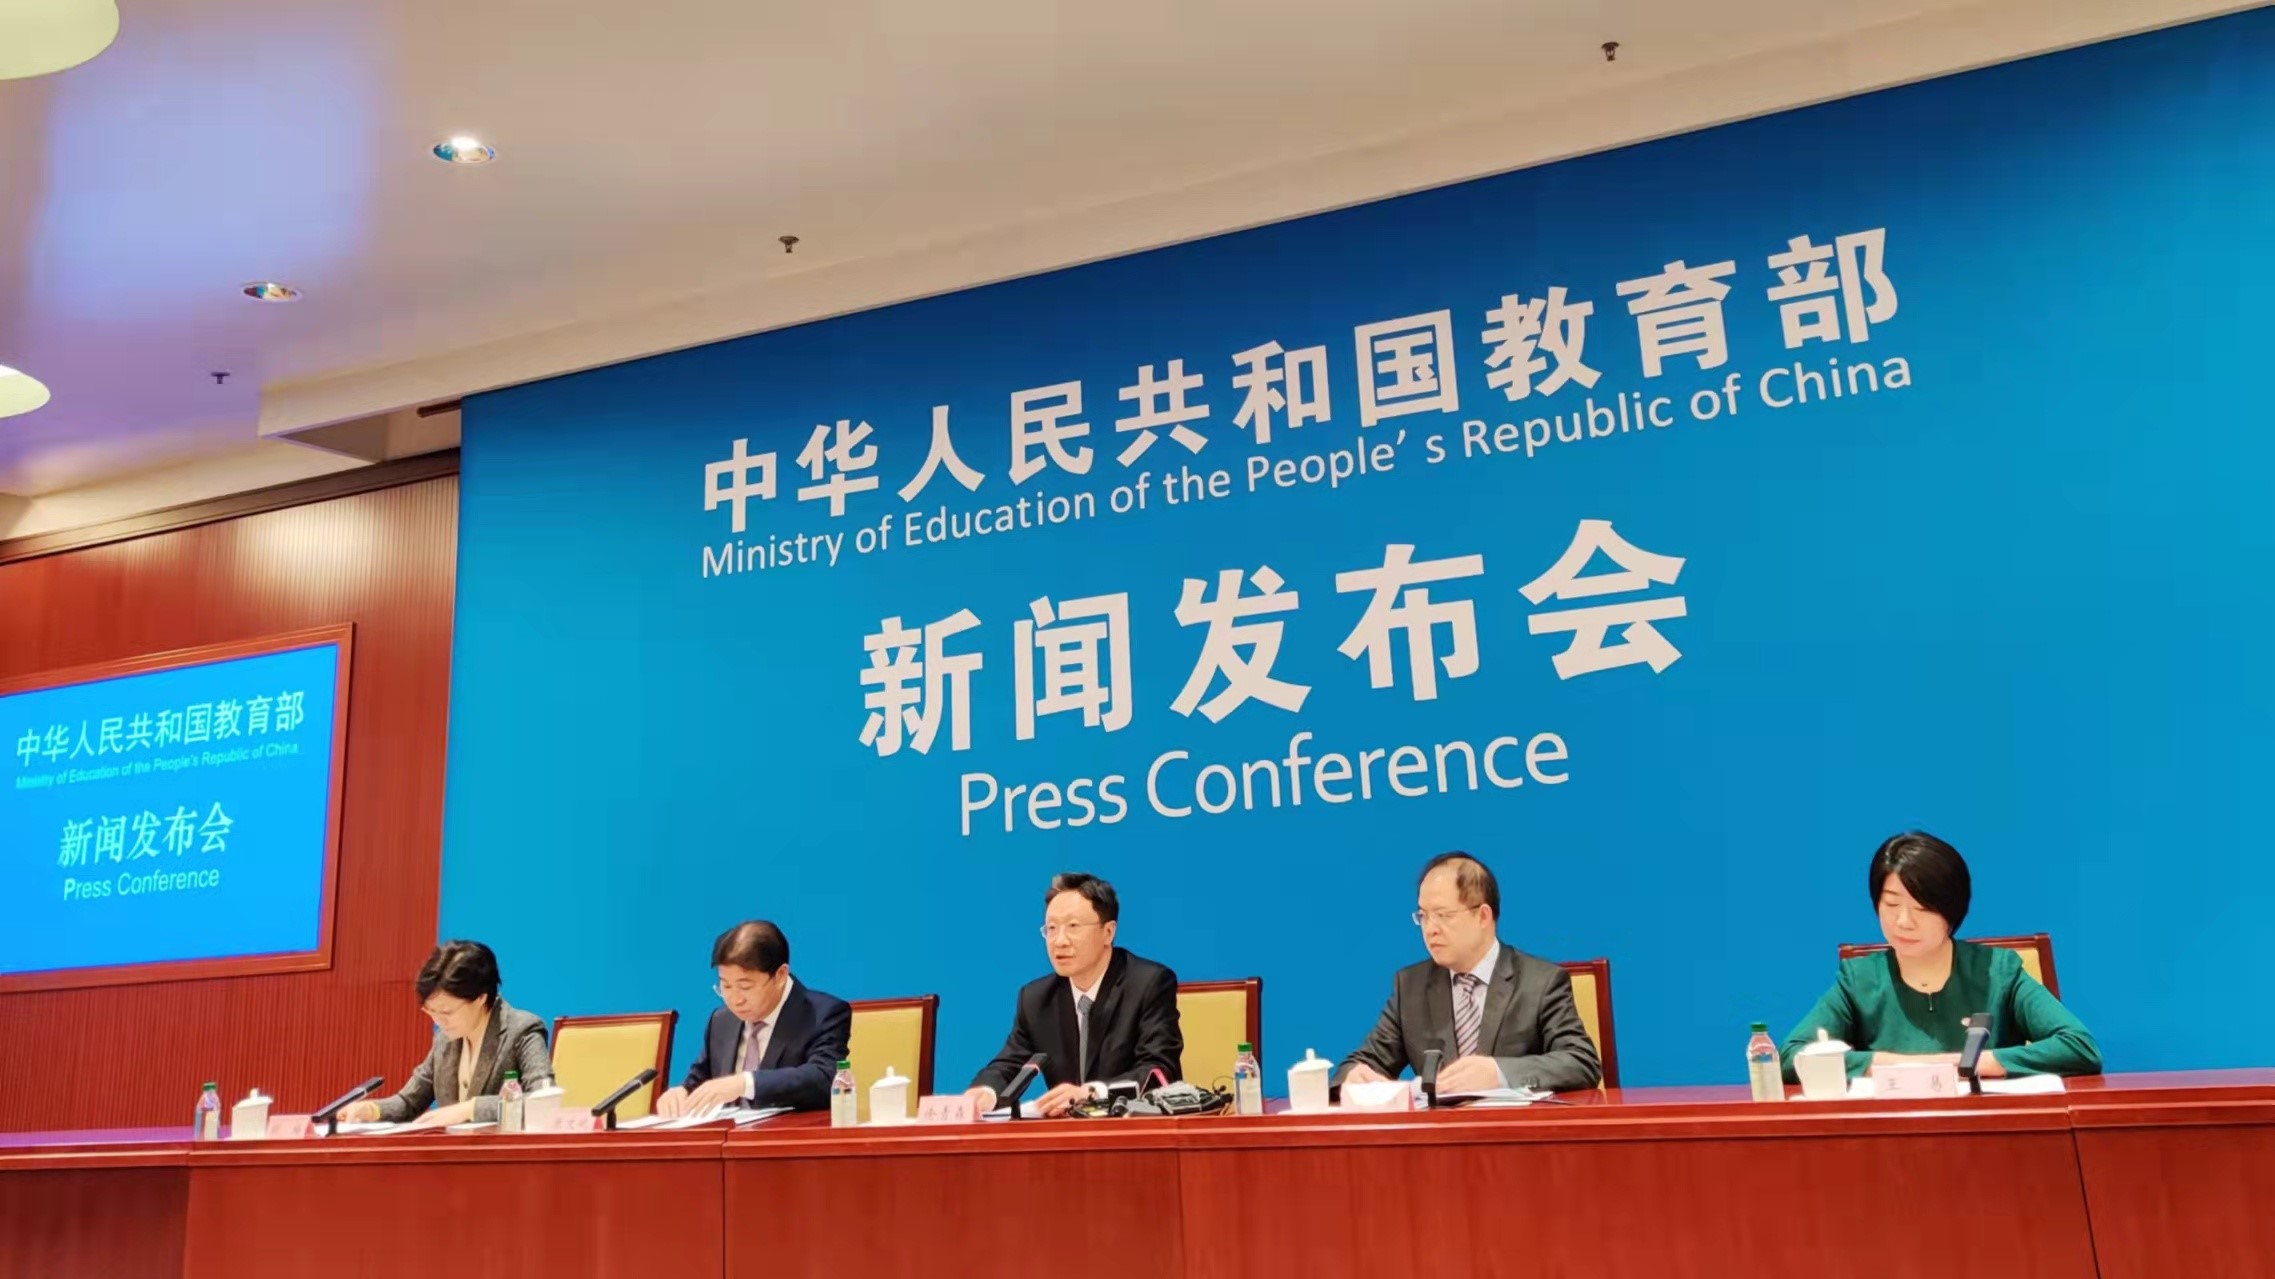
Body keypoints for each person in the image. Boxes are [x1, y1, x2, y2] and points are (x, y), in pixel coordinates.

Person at [1781, 831, 2101, 1080]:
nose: (1904, 921)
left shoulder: (1998, 971)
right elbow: (1791, 1057)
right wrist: (1891, 1065)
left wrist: (1970, 1063)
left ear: (1952, 910)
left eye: (1921, 908)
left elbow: (2079, 1047)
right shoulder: (1859, 979)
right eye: (1891, 904)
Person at [1339, 852, 1602, 1094]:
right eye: (1423, 916)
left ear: (1483, 916)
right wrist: (1354, 1077)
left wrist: (1499, 1073)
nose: (1430, 929)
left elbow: (1581, 1062)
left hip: (1514, 1128)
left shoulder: (1541, 982)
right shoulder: (1410, 987)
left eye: (1442, 915)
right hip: (1439, 1129)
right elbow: (1362, 1062)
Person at [964, 872, 1183, 1118]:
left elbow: (1160, 1070)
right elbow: (1009, 1063)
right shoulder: (1036, 999)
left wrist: (1092, 1093)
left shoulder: (1148, 984)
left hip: (1132, 1129)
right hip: (1066, 1134)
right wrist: (985, 1092)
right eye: (1052, 928)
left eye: (1073, 927)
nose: (1059, 941)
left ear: (1108, 932)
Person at [339, 940, 552, 1127]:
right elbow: (409, 1102)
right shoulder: (445, 1039)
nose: (438, 1021)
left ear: (480, 998)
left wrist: (469, 1109)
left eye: (447, 1012)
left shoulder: (521, 1030)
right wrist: (371, 1110)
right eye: (431, 1011)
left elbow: (543, 1101)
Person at [656, 920, 852, 1116]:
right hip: (727, 1132)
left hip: (786, 1132)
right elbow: (700, 1081)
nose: (735, 1000)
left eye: (745, 986)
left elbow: (825, 1078)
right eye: (726, 986)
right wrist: (681, 1093)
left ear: (780, 975)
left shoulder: (823, 1014)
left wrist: (745, 1083)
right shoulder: (721, 1020)